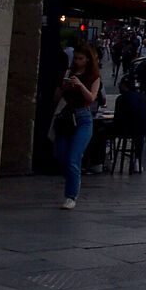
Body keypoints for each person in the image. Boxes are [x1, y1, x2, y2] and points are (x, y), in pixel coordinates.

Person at [54, 47, 101, 209]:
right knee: (61, 156)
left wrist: (80, 85)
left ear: (87, 59)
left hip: (83, 117)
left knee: (74, 157)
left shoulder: (93, 76)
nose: (77, 61)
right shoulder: (68, 73)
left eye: (80, 58)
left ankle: (71, 195)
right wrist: (63, 87)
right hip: (67, 116)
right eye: (75, 58)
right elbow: (56, 96)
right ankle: (71, 179)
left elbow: (92, 97)